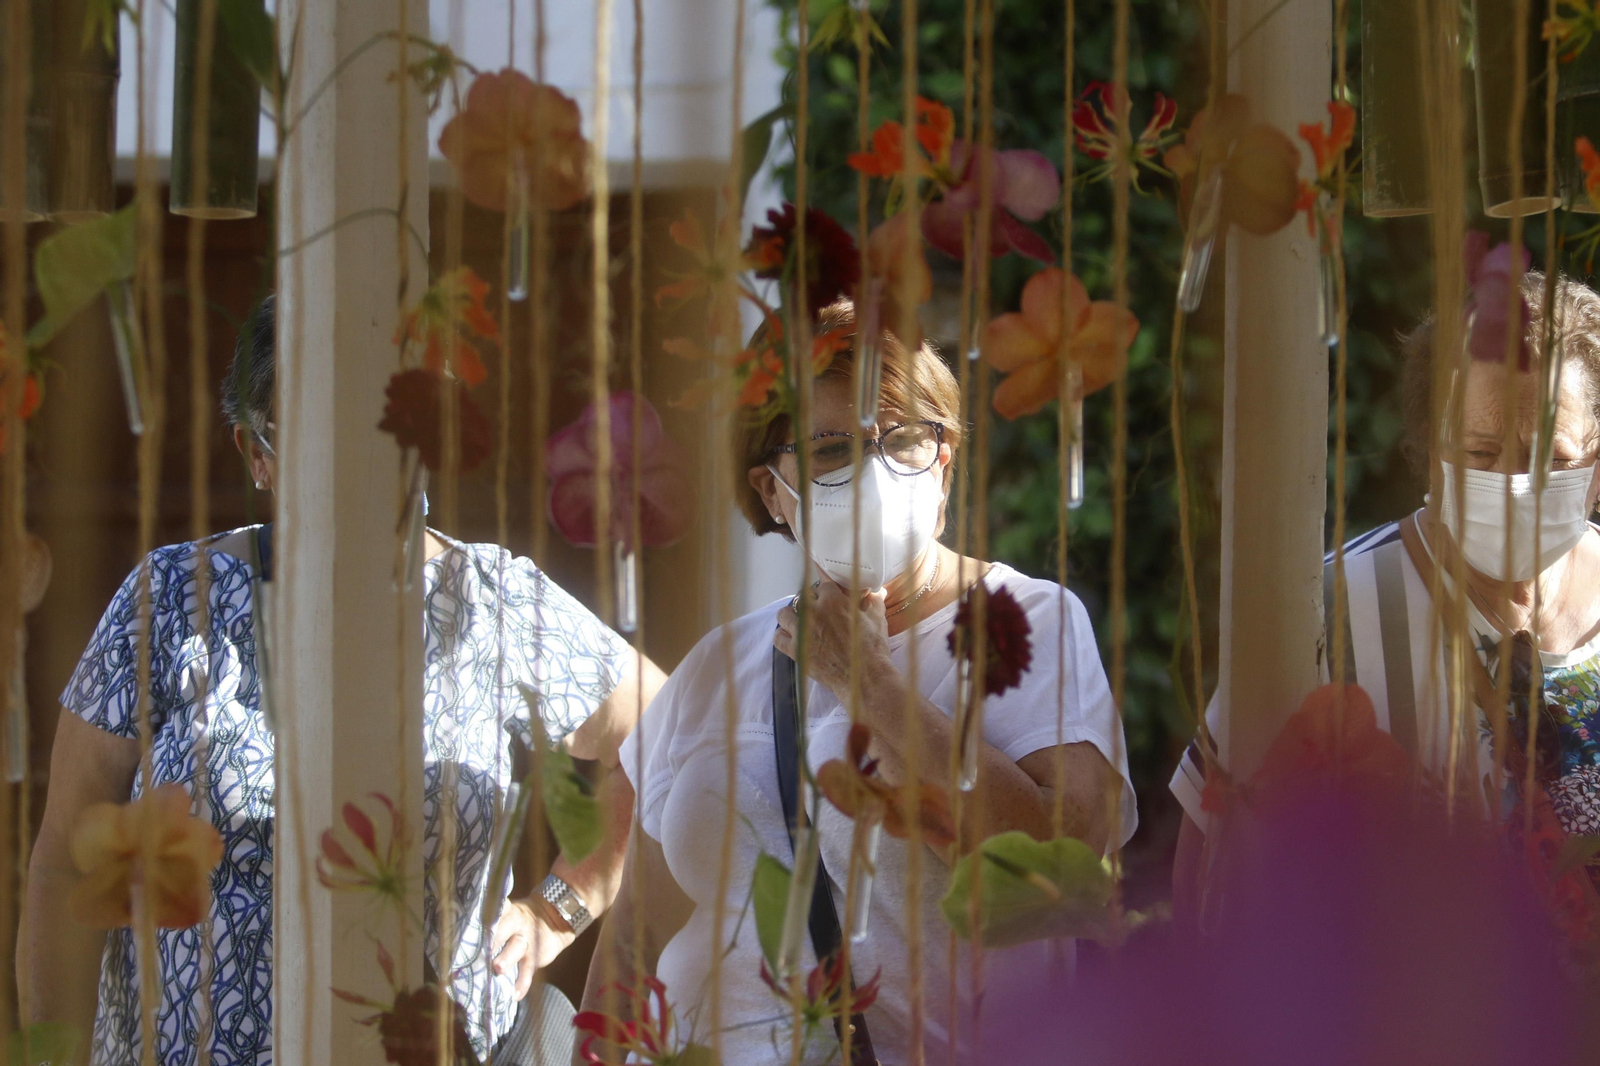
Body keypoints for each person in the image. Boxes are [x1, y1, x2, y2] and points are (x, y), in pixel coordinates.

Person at [19, 296, 668, 1066]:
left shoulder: (491, 602)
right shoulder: (170, 602)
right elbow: (66, 857)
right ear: (256, 454)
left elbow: (666, 734)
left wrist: (557, 909)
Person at [583, 300, 1136, 1065]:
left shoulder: (1027, 622)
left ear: (943, 464)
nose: (873, 471)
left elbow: (1066, 859)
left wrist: (871, 682)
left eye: (903, 439)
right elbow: (635, 936)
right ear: (774, 491)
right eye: (830, 451)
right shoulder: (715, 667)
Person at [1170, 269, 1600, 928]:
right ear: (1429, 453)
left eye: (1551, 460)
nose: (1515, 487)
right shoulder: (1326, 616)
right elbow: (1209, 871)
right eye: (1481, 453)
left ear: (1595, 461)